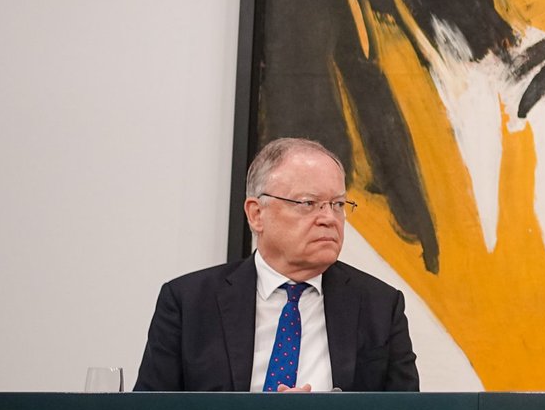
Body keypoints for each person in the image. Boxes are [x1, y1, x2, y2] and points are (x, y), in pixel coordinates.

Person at [134, 137, 418, 391]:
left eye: (338, 204)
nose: (329, 219)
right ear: (257, 214)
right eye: (308, 203)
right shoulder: (189, 303)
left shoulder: (380, 306)